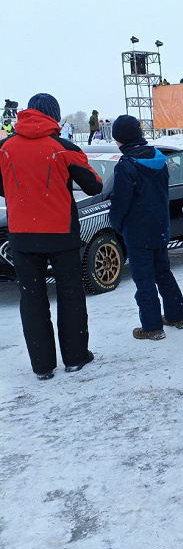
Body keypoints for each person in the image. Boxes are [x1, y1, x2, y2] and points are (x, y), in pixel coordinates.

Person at [0, 93, 103, 379]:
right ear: (53, 116)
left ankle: (42, 366)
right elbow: (94, 185)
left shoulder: (4, 147)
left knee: (31, 299)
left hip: (21, 235)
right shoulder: (63, 147)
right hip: (61, 234)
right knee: (70, 295)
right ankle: (75, 357)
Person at [109, 115, 183, 341]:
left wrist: (118, 225)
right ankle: (176, 316)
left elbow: (120, 202)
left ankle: (152, 326)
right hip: (160, 227)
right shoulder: (159, 159)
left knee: (144, 280)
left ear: (121, 139)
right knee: (164, 273)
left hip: (137, 231)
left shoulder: (126, 165)